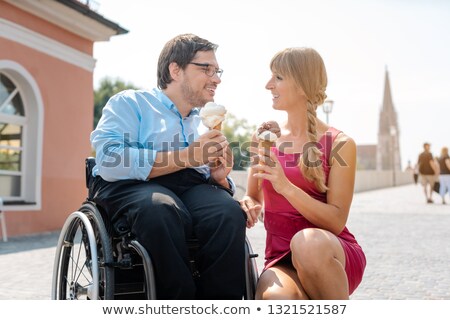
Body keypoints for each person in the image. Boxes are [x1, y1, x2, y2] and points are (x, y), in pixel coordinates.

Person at [90, 34, 246, 299]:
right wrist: (186, 156)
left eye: (217, 70)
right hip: (131, 185)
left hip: (189, 188)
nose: (216, 78)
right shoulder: (130, 103)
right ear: (175, 69)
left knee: (228, 212)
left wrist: (218, 179)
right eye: (206, 68)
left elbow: (201, 172)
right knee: (160, 208)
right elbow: (109, 158)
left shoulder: (202, 121)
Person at [240, 47, 366, 299]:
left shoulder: (340, 143)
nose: (268, 85)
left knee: (307, 243)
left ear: (301, 84)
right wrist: (248, 204)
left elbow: (335, 221)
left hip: (327, 250)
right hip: (280, 257)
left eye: (278, 77)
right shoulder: (264, 138)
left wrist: (285, 186)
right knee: (275, 299)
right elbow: (254, 195)